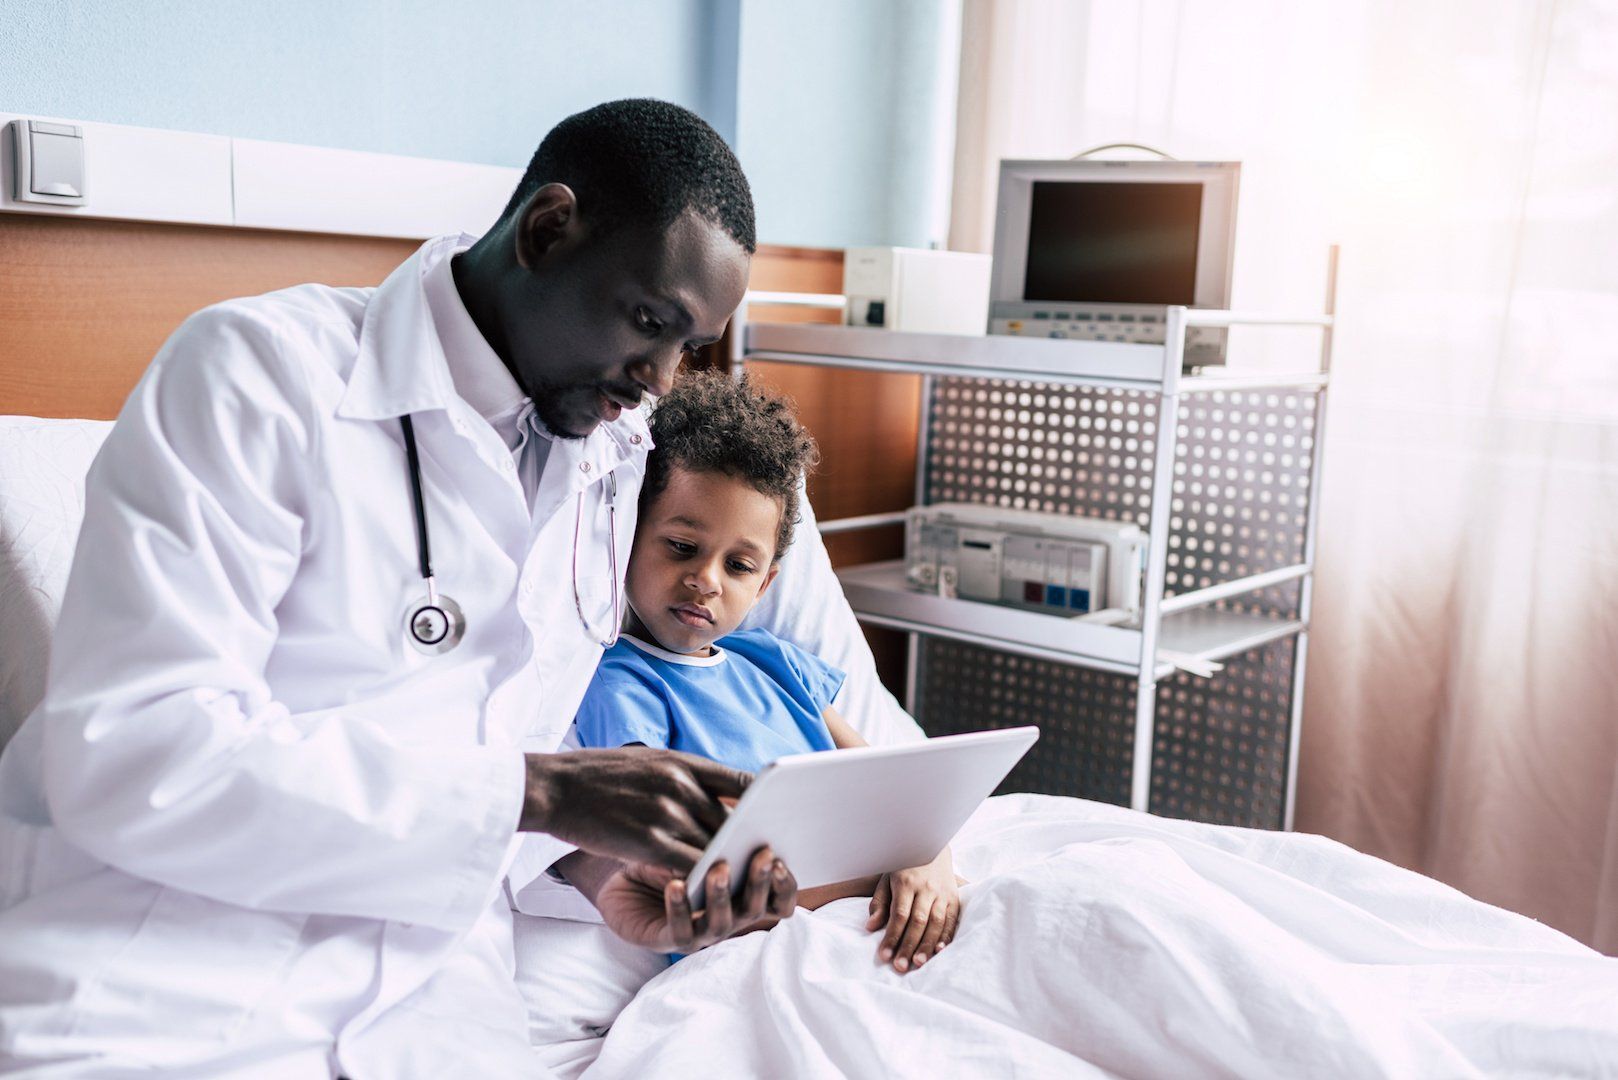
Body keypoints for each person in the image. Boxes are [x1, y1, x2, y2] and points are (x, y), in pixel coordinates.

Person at [0, 99, 907, 1077]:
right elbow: (131, 754)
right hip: (166, 984)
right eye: (650, 323)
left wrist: (599, 872)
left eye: (688, 346)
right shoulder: (258, 374)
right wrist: (543, 792)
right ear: (547, 230)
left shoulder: (611, 458)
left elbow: (492, 737)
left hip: (441, 1009)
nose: (658, 378)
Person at [571, 371, 962, 973]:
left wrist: (926, 851)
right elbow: (662, 840)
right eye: (681, 546)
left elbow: (888, 779)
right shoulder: (623, 682)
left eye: (739, 564)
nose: (707, 580)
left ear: (766, 584)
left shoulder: (773, 661)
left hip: (879, 908)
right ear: (629, 539)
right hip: (766, 937)